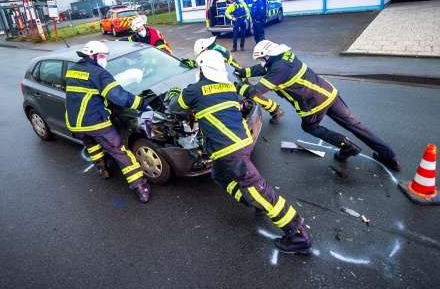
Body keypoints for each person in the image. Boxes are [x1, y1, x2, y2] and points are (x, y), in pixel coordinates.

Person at [167, 50, 312, 254]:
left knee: (260, 191)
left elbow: (175, 107)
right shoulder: (228, 87)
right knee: (219, 176)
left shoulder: (195, 90)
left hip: (230, 151)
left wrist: (174, 92)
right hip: (239, 144)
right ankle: (250, 201)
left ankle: (298, 234)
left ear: (201, 69)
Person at [235, 40, 401, 172]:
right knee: (356, 125)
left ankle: (347, 146)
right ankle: (389, 155)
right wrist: (245, 72)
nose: (261, 62)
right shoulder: (285, 57)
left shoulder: (278, 70)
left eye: (262, 58)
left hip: (313, 105)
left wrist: (236, 87)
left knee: (310, 127)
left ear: (268, 56)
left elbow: (255, 92)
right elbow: (264, 68)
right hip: (329, 94)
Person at [65, 40, 152, 202]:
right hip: (96, 122)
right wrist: (141, 103)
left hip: (75, 124)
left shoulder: (72, 70)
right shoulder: (99, 73)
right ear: (93, 55)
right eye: (103, 56)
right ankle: (141, 187)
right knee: (119, 152)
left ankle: (103, 169)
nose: (105, 59)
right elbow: (118, 96)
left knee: (92, 145)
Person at [192, 37, 284, 124]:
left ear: (203, 49)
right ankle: (274, 109)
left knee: (252, 95)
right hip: (236, 73)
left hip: (235, 76)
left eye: (201, 53)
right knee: (251, 94)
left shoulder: (214, 54)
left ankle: (276, 110)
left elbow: (217, 70)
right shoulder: (215, 48)